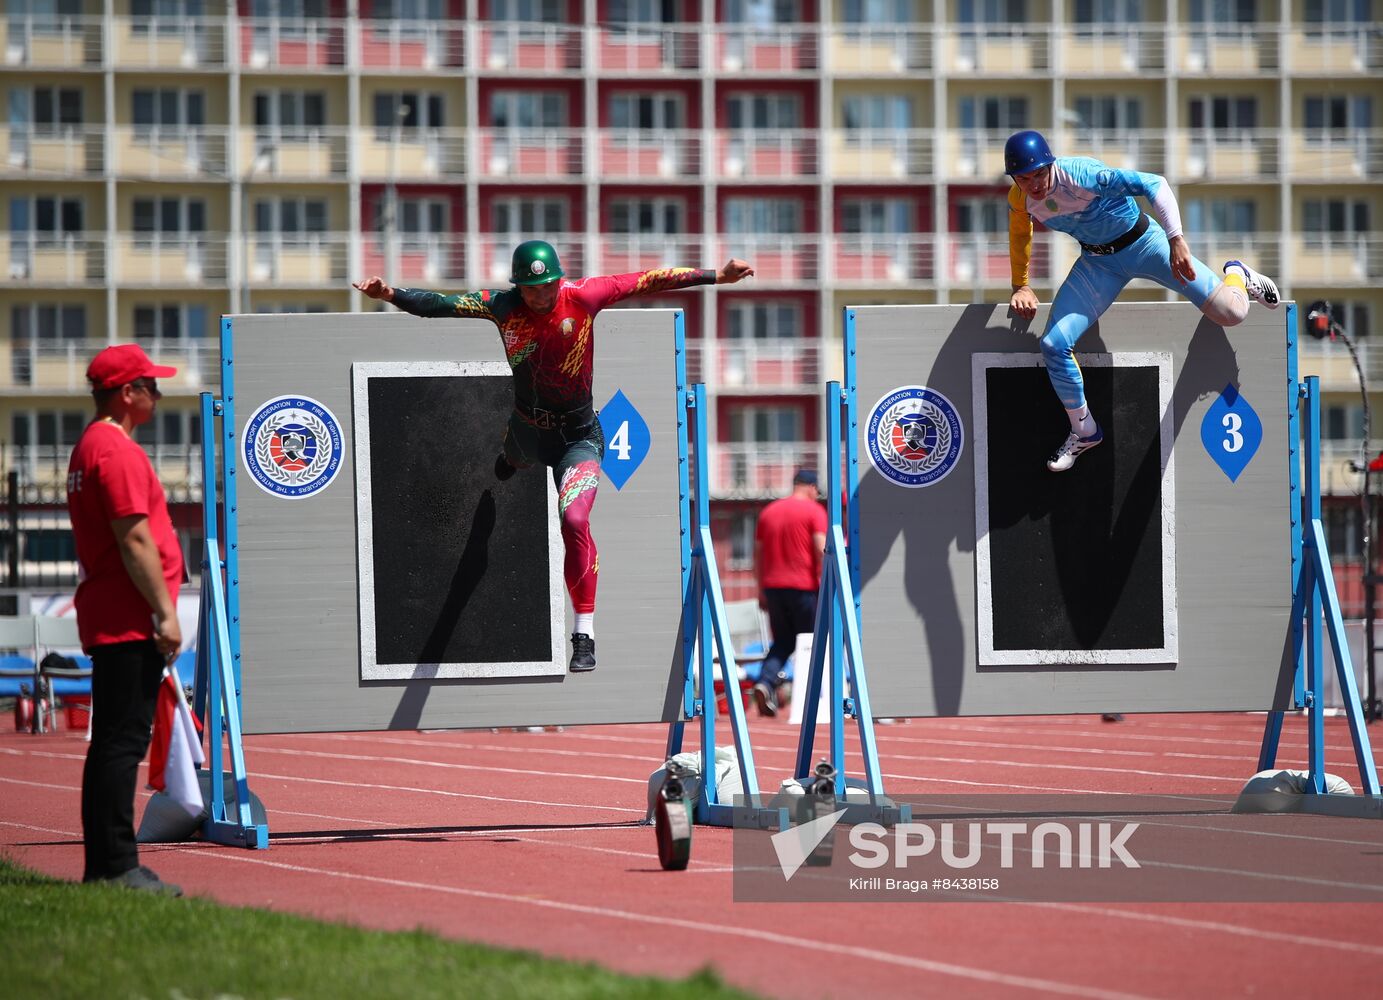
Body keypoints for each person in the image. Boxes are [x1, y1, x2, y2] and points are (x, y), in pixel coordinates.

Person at [355, 241, 754, 672]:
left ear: (558, 280)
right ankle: (512, 456)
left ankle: (584, 634)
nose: (539, 296)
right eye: (530, 289)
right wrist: (390, 294)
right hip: (528, 431)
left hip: (578, 439)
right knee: (515, 455)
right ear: (518, 287)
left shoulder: (584, 295)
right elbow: (440, 304)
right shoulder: (501, 306)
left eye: (546, 287)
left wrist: (717, 275)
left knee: (576, 520)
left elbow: (649, 280)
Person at [1004, 129, 1280, 473]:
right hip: (1098, 263)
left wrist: (1176, 239)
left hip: (1146, 245)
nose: (1034, 185)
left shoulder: (1082, 175)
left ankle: (1237, 272)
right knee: (1053, 344)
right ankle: (1084, 430)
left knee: (1232, 312)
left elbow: (1156, 184)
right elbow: (1019, 234)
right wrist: (1020, 286)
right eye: (1024, 178)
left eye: (1039, 174)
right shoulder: (1020, 198)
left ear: (1051, 164)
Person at [66, 344, 185, 896]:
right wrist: (165, 611)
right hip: (128, 616)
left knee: (113, 741)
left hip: (115, 611)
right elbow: (134, 538)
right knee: (121, 743)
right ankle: (115, 866)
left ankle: (108, 864)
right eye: (150, 386)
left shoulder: (95, 447)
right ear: (126, 393)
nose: (157, 395)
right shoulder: (112, 451)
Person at [751, 469, 827, 717]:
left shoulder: (769, 512)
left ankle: (766, 681)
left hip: (773, 588)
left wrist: (761, 589)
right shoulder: (815, 511)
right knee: (813, 643)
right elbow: (820, 548)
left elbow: (758, 554)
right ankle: (814, 699)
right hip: (804, 588)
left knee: (783, 641)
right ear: (812, 487)